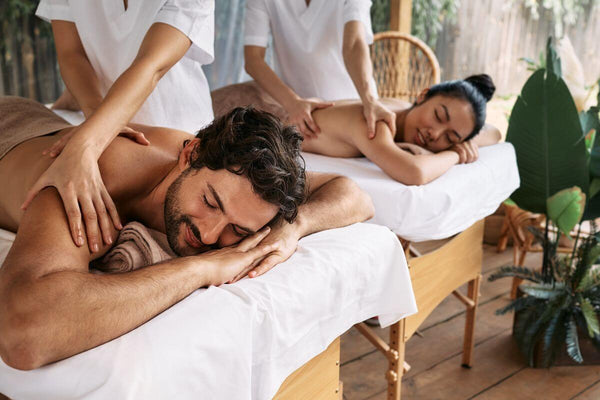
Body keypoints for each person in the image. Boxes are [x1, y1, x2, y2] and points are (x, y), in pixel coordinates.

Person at [0, 97, 374, 371]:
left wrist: (292, 228)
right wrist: (200, 270)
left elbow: (353, 194)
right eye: (210, 202)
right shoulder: (98, 174)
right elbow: (22, 334)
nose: (210, 236)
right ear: (190, 153)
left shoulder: (247, 183)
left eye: (238, 230)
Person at [26, 0, 216, 255]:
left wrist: (87, 144)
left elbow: (152, 65)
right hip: (107, 131)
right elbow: (72, 54)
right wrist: (98, 124)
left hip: (178, 141)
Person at [301, 74, 502, 185]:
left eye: (450, 137)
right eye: (438, 116)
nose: (435, 134)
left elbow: (494, 132)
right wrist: (455, 153)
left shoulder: (404, 109)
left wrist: (467, 142)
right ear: (423, 95)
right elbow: (414, 172)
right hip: (273, 138)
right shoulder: (376, 121)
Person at [243, 0, 396, 140]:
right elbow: (253, 59)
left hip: (358, 106)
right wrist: (292, 102)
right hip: (302, 116)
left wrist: (369, 100)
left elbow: (354, 43)